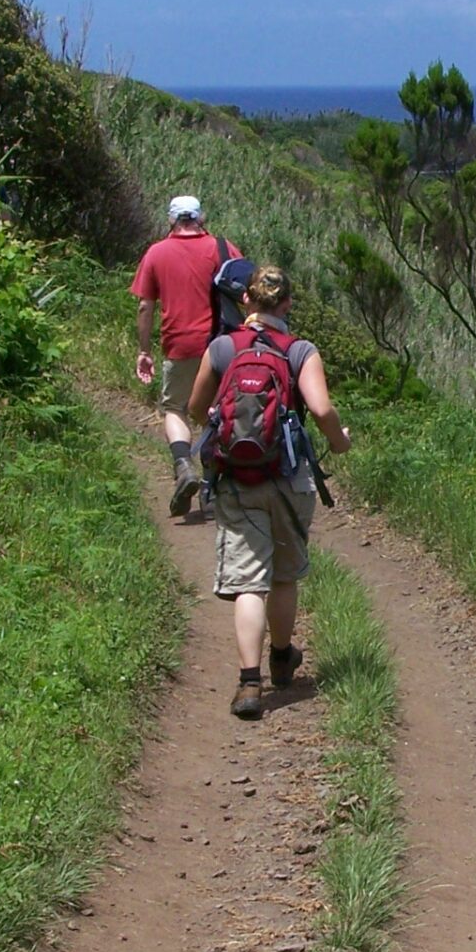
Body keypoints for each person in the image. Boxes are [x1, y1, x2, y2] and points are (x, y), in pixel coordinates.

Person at [186, 263, 352, 721]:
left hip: (237, 478)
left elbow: (197, 407)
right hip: (288, 477)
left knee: (247, 583)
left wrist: (230, 435)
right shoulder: (300, 350)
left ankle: (248, 683)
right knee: (282, 575)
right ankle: (282, 657)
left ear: (246, 302)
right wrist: (340, 441)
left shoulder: (222, 348)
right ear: (287, 304)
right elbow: (320, 407)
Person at [131, 194, 240, 516]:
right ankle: (213, 484)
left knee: (175, 408)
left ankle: (183, 466)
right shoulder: (222, 248)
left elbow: (144, 306)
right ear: (200, 218)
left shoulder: (157, 253)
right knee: (215, 411)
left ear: (171, 220)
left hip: (179, 345)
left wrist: (144, 350)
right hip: (223, 345)